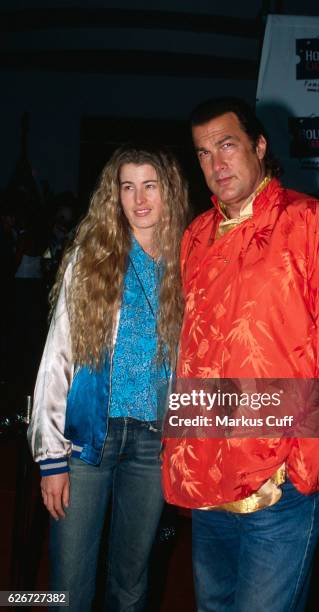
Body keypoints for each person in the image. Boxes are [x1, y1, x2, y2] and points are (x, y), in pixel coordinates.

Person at [161, 98, 319, 611]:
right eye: (204, 153)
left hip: (280, 486)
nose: (216, 164)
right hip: (209, 482)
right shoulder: (195, 238)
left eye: (227, 145)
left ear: (258, 146)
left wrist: (306, 470)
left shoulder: (310, 224)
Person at [27, 146, 189, 611]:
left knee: (132, 584)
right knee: (70, 587)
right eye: (127, 186)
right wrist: (51, 459)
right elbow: (56, 357)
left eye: (150, 185)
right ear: (113, 195)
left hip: (152, 444)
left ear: (169, 192)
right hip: (87, 443)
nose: (139, 199)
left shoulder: (188, 262)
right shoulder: (92, 257)